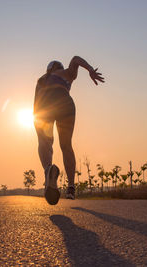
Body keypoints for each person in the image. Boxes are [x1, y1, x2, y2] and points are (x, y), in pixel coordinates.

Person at [34, 56, 104, 205]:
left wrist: (38, 127)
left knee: (45, 142)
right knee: (66, 145)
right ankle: (71, 187)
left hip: (44, 105)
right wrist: (90, 70)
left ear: (49, 69)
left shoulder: (41, 80)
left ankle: (48, 171)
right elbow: (76, 59)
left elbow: (36, 105)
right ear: (60, 67)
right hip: (65, 104)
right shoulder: (67, 74)